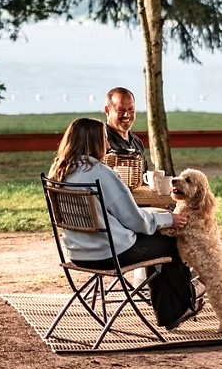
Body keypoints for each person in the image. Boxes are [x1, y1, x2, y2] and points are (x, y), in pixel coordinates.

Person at [47, 117, 201, 329]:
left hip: (78, 253)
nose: (109, 144)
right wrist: (168, 219)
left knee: (154, 235)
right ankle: (174, 311)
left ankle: (175, 303)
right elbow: (134, 220)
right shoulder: (100, 173)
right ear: (93, 141)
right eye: (104, 138)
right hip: (109, 255)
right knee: (169, 240)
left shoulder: (59, 172)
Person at [104, 86, 148, 170]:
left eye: (131, 109)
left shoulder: (137, 142)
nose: (126, 115)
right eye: (120, 110)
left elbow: (144, 177)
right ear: (107, 111)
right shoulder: (99, 141)